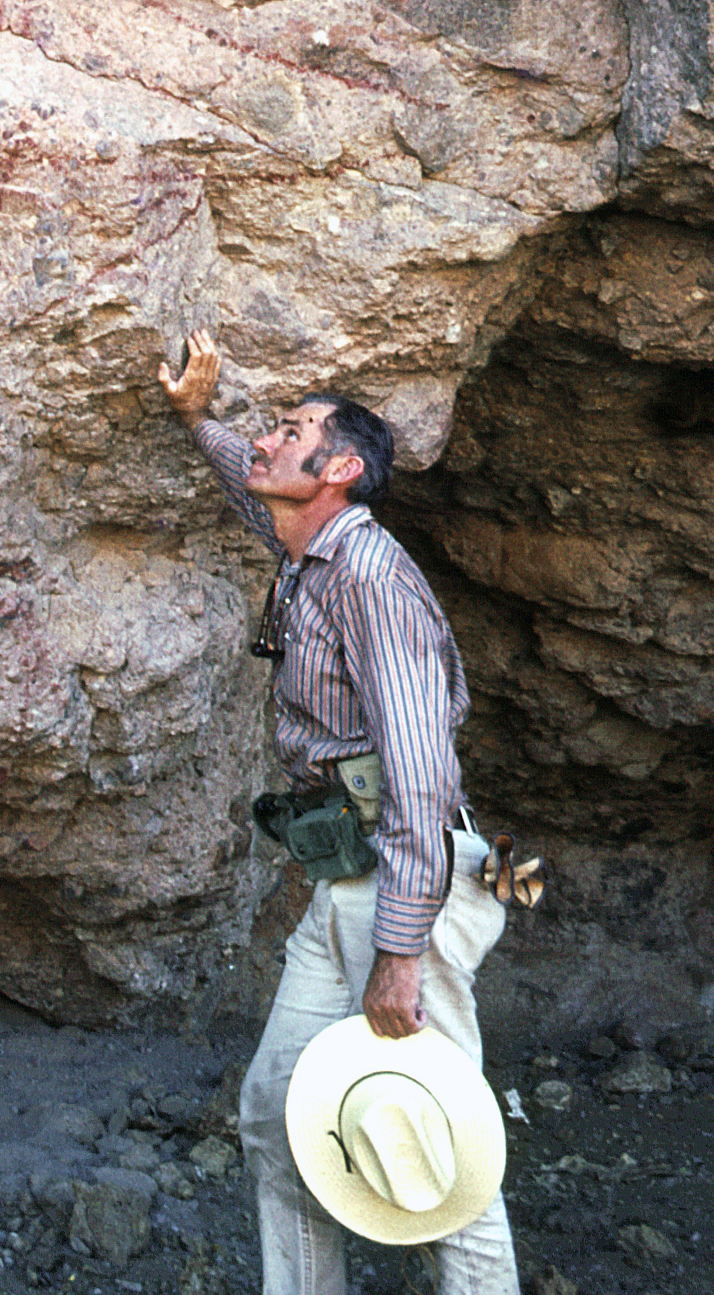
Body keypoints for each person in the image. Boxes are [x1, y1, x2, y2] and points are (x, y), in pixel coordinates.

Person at [155, 328, 520, 1295]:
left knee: (442, 1141)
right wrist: (200, 419)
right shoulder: (310, 550)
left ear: (341, 469)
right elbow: (253, 487)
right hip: (343, 883)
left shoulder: (368, 577)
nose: (265, 441)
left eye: (289, 430)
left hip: (406, 889)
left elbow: (418, 774)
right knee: (279, 1114)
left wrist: (400, 951)